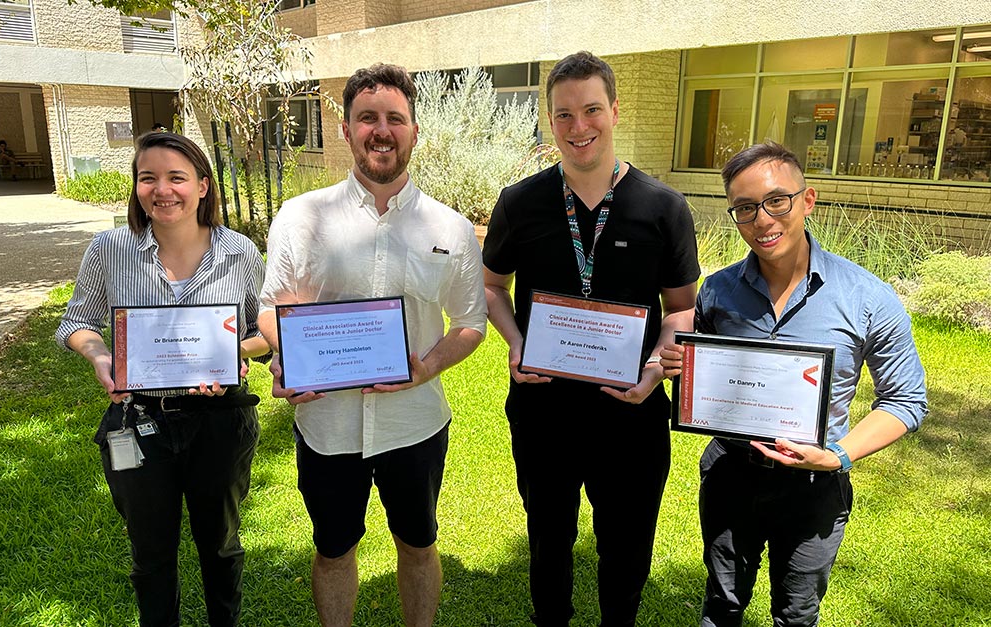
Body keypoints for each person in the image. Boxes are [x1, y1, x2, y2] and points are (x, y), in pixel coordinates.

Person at [658, 142, 927, 626]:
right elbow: (705, 378)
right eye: (744, 208)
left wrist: (837, 455)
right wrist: (684, 366)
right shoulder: (717, 290)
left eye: (776, 200)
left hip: (814, 482)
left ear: (808, 200)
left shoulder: (866, 297)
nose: (762, 219)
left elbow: (906, 399)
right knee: (721, 605)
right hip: (730, 474)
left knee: (796, 614)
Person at [257, 63, 486, 627]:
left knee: (417, 542)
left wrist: (425, 367)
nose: (381, 131)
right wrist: (286, 356)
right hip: (328, 424)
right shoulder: (301, 217)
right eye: (367, 118)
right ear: (346, 128)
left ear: (413, 130)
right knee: (333, 550)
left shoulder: (450, 228)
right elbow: (271, 309)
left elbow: (471, 321)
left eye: (394, 119)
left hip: (415, 422)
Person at [482, 51, 701, 626]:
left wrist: (657, 366)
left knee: (627, 547)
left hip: (631, 412)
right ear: (548, 120)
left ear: (615, 111)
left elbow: (681, 309)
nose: (579, 127)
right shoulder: (519, 202)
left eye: (591, 110)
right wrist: (515, 340)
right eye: (563, 115)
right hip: (543, 407)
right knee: (548, 537)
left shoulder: (663, 207)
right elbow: (491, 289)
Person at [56, 131, 269, 627]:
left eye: (176, 177)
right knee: (150, 555)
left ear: (202, 186)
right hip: (139, 420)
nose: (162, 189)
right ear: (136, 187)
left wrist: (231, 353)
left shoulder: (239, 252)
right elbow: (76, 322)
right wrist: (100, 357)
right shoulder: (110, 249)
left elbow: (264, 331)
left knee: (220, 546)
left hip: (219, 421)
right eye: (147, 177)